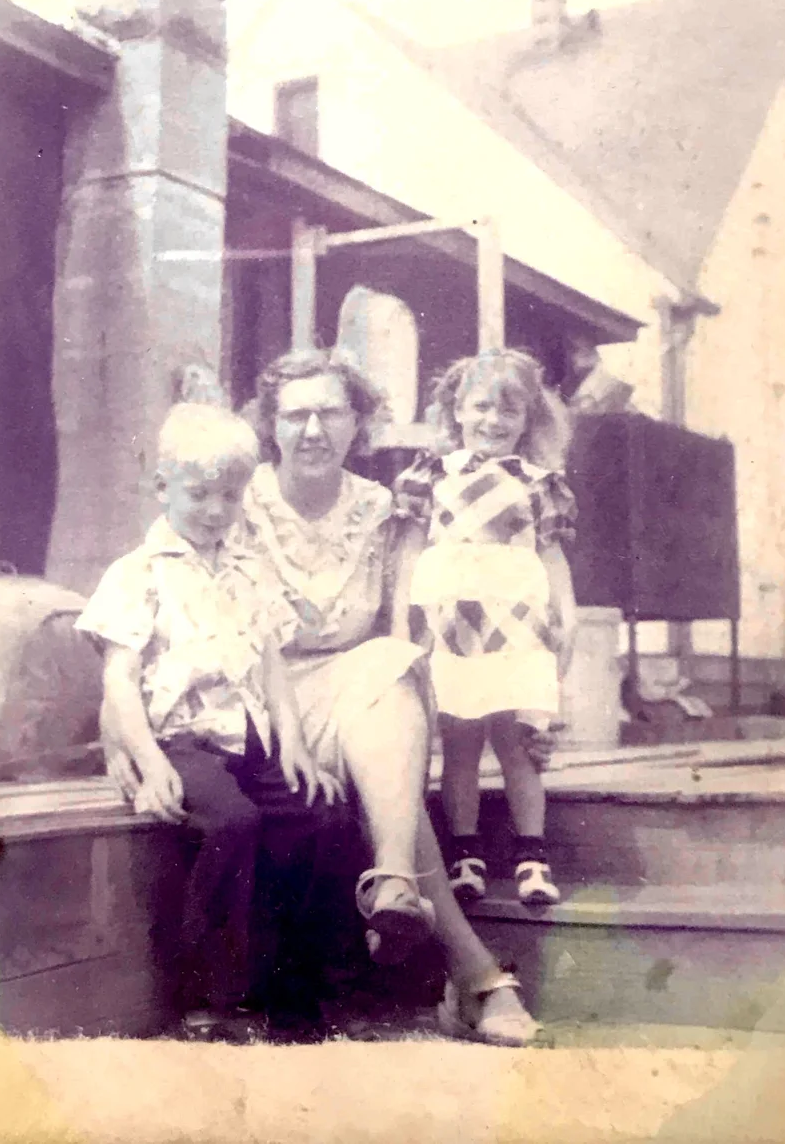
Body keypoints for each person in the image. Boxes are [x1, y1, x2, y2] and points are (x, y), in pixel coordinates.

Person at [236, 347, 543, 1046]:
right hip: (259, 696)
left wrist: (526, 698)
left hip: (357, 692)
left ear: (359, 424)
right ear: (271, 425)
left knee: (394, 667)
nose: (313, 430)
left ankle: (402, 888)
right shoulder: (238, 497)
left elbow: (412, 620)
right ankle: (469, 967)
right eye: (296, 415)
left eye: (332, 413)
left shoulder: (384, 508)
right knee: (392, 745)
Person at [77, 402, 344, 1039]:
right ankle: (205, 993)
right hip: (176, 738)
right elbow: (118, 679)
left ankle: (292, 995)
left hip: (247, 734)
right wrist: (151, 764)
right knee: (232, 822)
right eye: (199, 495)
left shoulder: (247, 569)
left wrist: (296, 749)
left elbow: (273, 666)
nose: (215, 511)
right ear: (162, 486)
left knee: (317, 814)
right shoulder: (138, 574)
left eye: (229, 496)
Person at [392, 350, 578, 907]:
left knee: (519, 747)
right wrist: (404, 620)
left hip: (518, 630)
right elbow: (409, 556)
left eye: (509, 411)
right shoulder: (431, 476)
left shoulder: (541, 484)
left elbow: (551, 558)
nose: (493, 422)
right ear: (456, 411)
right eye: (481, 408)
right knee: (461, 747)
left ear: (529, 420)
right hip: (451, 631)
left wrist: (566, 612)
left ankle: (531, 856)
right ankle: (466, 855)